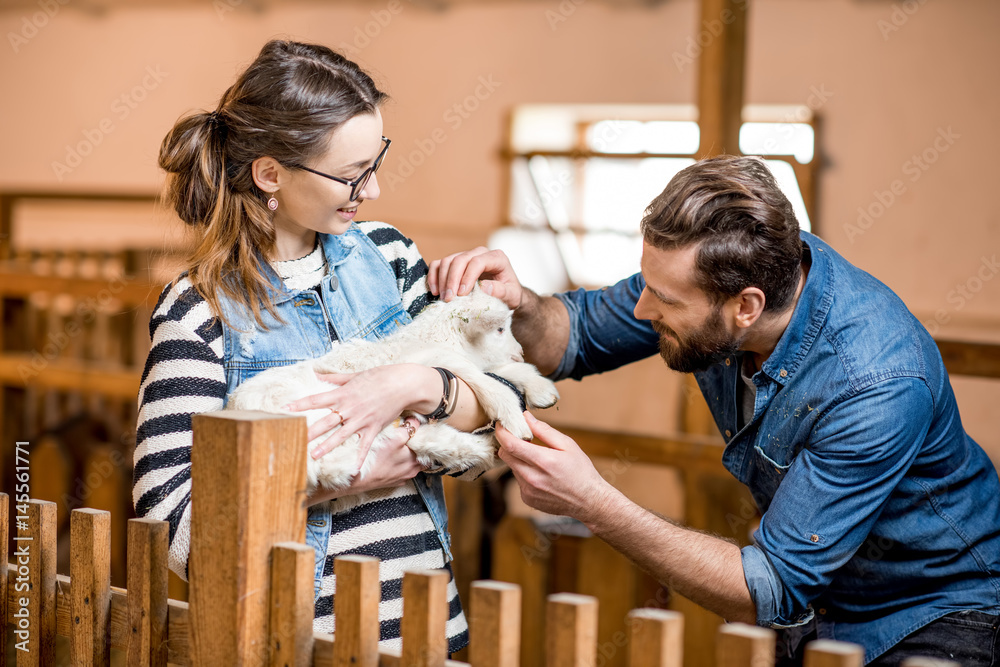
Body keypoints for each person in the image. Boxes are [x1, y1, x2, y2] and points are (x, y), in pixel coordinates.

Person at [429, 156, 1000, 665]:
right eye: (646, 282)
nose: (642, 307)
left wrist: (592, 501)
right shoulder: (724, 278)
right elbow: (572, 338)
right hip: (817, 601)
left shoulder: (876, 383)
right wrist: (519, 300)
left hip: (935, 608)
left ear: (746, 306)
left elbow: (770, 586)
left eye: (665, 300)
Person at [133, 39, 505, 652]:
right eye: (351, 176)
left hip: (433, 627)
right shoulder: (198, 311)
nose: (374, 191)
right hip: (305, 638)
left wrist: (414, 388)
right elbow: (171, 522)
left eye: (376, 162)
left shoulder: (391, 259)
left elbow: (493, 412)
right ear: (270, 173)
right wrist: (338, 479)